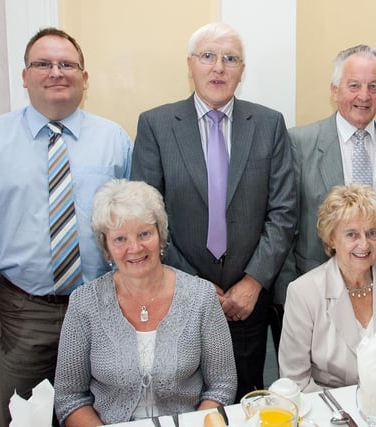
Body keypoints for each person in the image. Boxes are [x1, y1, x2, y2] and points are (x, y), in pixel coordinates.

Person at [0, 28, 132, 425]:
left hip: (102, 306)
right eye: (43, 64)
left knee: (104, 411)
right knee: (28, 414)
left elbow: (134, 224)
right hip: (25, 311)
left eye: (67, 64)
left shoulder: (114, 140)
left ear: (85, 77)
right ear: (25, 75)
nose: (56, 72)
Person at [130, 22, 297, 400]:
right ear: (190, 65)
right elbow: (146, 220)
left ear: (242, 70)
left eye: (230, 59)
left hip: (246, 303)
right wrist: (194, 287)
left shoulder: (269, 124)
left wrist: (253, 283)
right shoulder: (156, 125)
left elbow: (284, 211)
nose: (218, 67)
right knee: (181, 398)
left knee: (242, 397)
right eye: (208, 56)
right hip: (175, 296)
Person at [54, 179, 237, 426]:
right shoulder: (84, 303)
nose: (135, 248)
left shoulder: (201, 297)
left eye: (144, 234)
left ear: (160, 235)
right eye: (120, 239)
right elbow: (70, 398)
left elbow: (222, 386)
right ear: (106, 246)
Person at [273, 45, 376, 346]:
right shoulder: (300, 142)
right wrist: (290, 292)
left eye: (373, 86)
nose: (364, 96)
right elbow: (285, 223)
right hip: (319, 292)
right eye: (354, 85)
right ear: (335, 90)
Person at [278, 184, 376, 392]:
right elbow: (295, 381)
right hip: (330, 414)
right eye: (352, 235)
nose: (364, 245)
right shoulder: (303, 293)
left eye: (372, 233)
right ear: (331, 238)